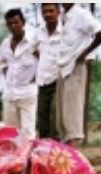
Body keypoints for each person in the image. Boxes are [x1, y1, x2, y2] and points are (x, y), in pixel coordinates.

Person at [55, 3, 101, 147]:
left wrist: (84, 53)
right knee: (62, 118)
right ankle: (67, 160)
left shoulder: (81, 14)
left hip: (75, 68)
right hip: (63, 68)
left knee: (73, 117)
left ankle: (74, 159)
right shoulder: (63, 17)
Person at [0, 9, 38, 139]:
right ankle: (14, 159)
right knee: (10, 133)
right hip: (9, 94)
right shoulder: (5, 43)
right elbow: (1, 62)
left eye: (16, 22)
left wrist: (36, 76)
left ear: (23, 22)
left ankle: (27, 159)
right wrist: (7, 74)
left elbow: (45, 59)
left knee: (27, 132)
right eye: (10, 24)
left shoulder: (33, 41)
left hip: (28, 93)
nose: (13, 26)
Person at [34, 4, 62, 140]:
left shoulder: (65, 31)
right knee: (42, 119)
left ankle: (57, 151)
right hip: (42, 80)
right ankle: (43, 152)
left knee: (55, 119)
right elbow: (33, 50)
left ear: (58, 12)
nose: (48, 14)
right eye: (45, 11)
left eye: (51, 11)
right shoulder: (39, 32)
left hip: (59, 80)